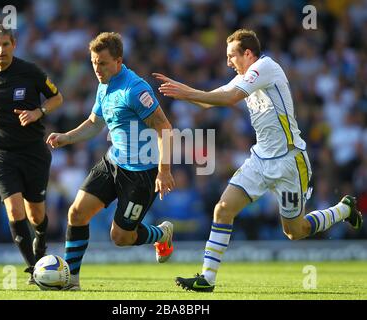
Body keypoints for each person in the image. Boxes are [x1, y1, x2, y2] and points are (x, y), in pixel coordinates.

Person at [153, 29, 363, 292]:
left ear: (248, 54)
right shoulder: (246, 77)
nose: (228, 62)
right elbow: (210, 102)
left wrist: (189, 93)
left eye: (232, 56)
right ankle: (207, 279)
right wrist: (181, 90)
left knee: (294, 231)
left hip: (289, 161)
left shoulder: (265, 67)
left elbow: (228, 98)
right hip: (260, 159)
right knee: (223, 209)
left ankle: (343, 210)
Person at [47, 32, 175, 290]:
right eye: (94, 63)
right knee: (77, 213)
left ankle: (161, 233)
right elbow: (95, 124)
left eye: (103, 63)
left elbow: (165, 128)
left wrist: (164, 171)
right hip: (112, 162)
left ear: (118, 61)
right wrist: (66, 138)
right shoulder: (103, 85)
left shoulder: (135, 89)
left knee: (120, 237)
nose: (97, 69)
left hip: (141, 174)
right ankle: (70, 280)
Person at [0, 24, 63, 284]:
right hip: (1, 154)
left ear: (14, 45)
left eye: (5, 44)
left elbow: (57, 98)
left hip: (33, 152)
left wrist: (38, 112)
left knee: (36, 215)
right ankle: (35, 269)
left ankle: (40, 243)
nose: (1, 50)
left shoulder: (30, 72)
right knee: (13, 209)